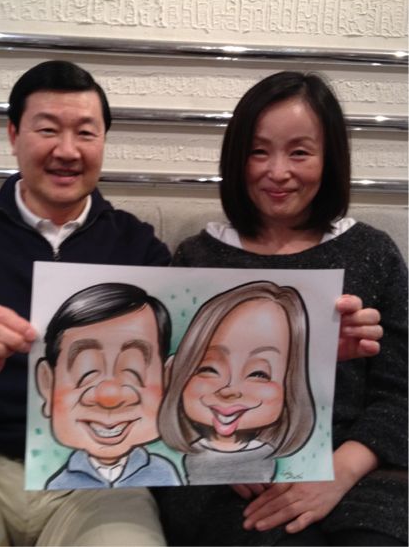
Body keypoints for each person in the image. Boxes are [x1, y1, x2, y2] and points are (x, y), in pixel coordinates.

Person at [0, 60, 172, 546]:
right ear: (13, 135)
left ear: (103, 142)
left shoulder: (140, 249)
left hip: (99, 473)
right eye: (48, 129)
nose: (67, 150)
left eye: (86, 133)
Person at [152, 71, 407, 546]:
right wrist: (224, 454)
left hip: (359, 475)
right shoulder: (197, 258)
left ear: (329, 159)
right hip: (232, 481)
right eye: (258, 151)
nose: (277, 171)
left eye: (300, 152)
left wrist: (339, 471)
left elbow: (401, 393)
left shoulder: (372, 254)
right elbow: (168, 385)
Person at [158, 281, 315, 485]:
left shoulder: (268, 457)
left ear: (291, 388)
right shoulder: (171, 463)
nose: (229, 390)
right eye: (209, 369)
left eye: (259, 374)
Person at [36, 282, 182, 489]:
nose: (110, 395)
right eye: (86, 371)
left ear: (168, 380)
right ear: (47, 384)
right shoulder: (58, 485)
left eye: (134, 370)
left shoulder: (164, 473)